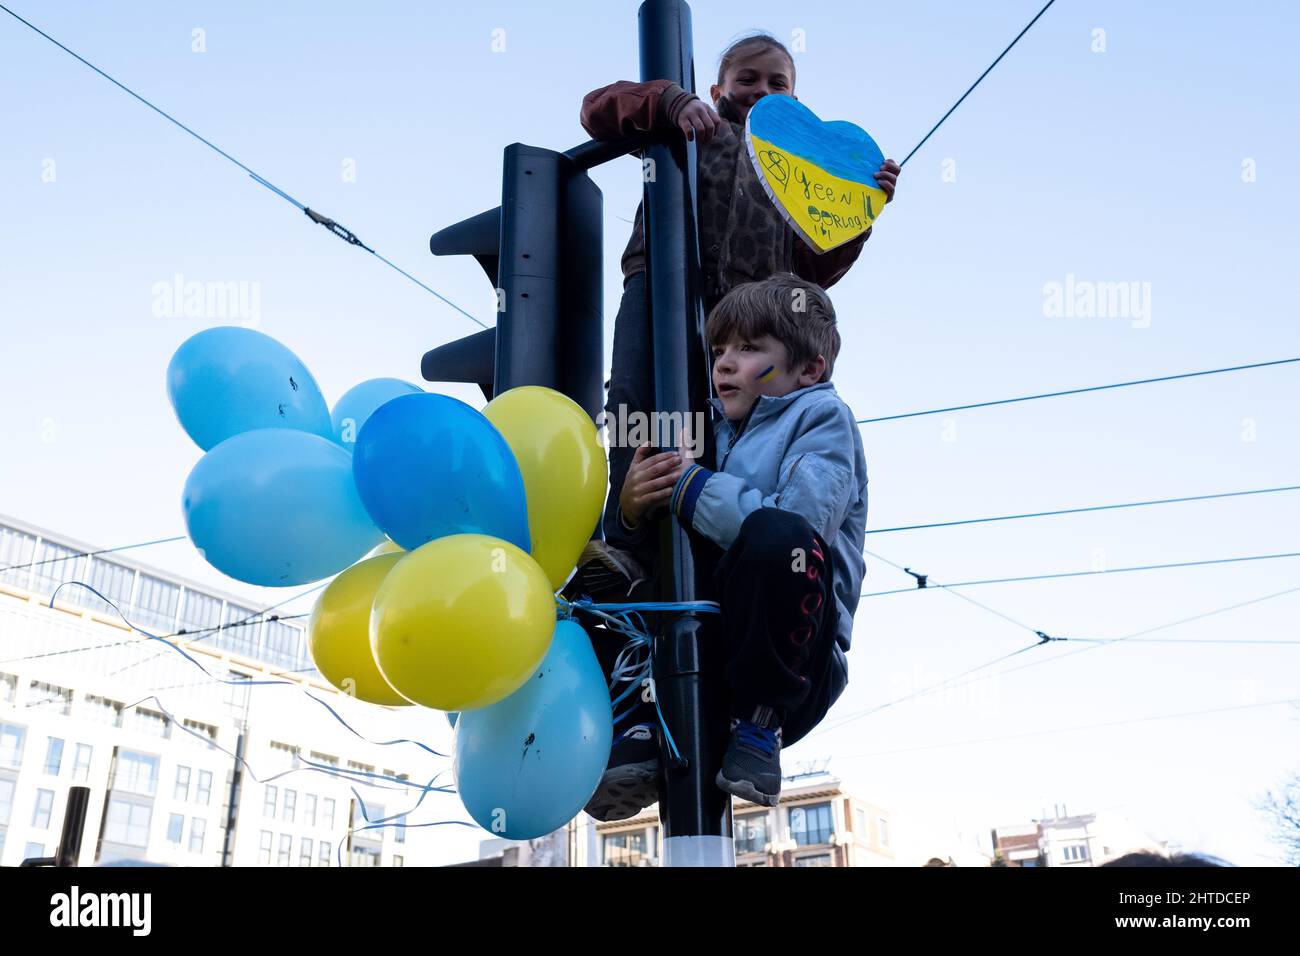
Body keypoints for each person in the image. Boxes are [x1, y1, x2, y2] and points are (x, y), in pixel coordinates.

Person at [570, 31, 897, 587]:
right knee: (635, 396)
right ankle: (623, 537)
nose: (759, 90)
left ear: (794, 99)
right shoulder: (695, 125)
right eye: (746, 78)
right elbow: (597, 110)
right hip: (659, 284)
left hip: (749, 313)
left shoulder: (799, 166)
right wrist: (671, 101)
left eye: (777, 83)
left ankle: (704, 555)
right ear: (719, 87)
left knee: (723, 423)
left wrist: (858, 215)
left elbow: (814, 267)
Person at [583, 273, 868, 820]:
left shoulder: (822, 418)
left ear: (810, 369)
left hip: (796, 662)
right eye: (719, 351)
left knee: (779, 537)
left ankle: (758, 726)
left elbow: (803, 523)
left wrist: (690, 488)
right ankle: (634, 724)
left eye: (749, 349)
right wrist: (634, 507)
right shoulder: (708, 426)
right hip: (718, 635)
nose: (725, 364)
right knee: (598, 577)